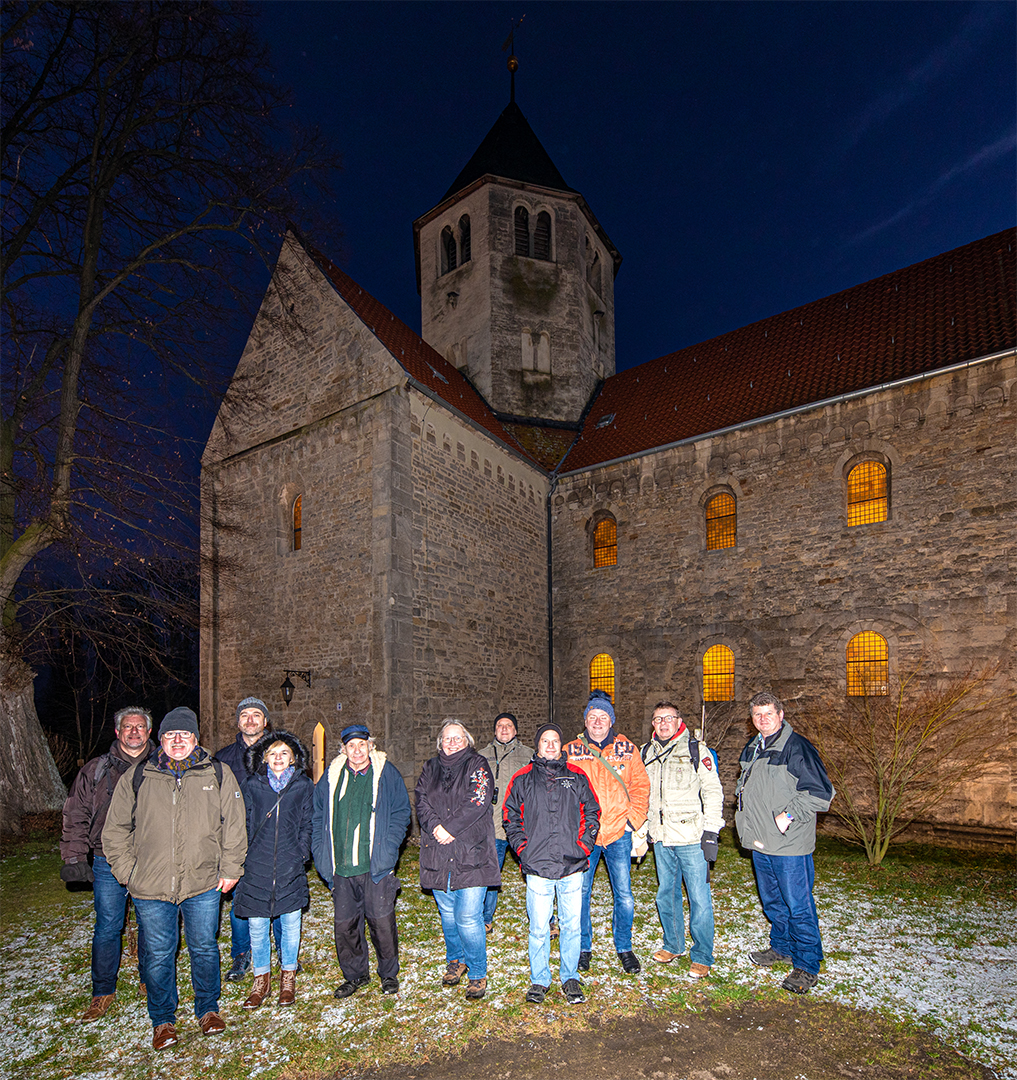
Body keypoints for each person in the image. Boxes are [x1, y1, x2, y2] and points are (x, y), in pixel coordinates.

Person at [102, 707, 247, 1050]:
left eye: (185, 735)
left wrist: (230, 868)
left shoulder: (217, 773)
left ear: (196, 739)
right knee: (157, 954)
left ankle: (208, 1010)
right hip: (151, 886)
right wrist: (128, 872)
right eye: (170, 735)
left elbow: (235, 826)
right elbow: (115, 830)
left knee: (205, 949)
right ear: (161, 740)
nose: (177, 741)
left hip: (203, 882)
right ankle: (163, 1020)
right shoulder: (139, 776)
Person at [735, 691, 835, 995]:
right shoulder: (754, 747)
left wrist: (788, 814)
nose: (762, 719)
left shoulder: (797, 747)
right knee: (773, 902)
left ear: (781, 714)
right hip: (760, 840)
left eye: (768, 713)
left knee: (798, 905)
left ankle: (807, 964)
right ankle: (781, 947)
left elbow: (821, 793)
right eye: (757, 715)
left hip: (789, 844)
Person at [60, 706, 154, 1022]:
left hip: (149, 859)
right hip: (106, 859)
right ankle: (102, 991)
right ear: (117, 732)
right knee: (107, 927)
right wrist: (74, 857)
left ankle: (148, 980)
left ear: (149, 732)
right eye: (128, 727)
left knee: (151, 925)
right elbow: (75, 814)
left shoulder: (162, 766)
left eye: (140, 727)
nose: (134, 732)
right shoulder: (96, 770)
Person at [311, 722, 411, 998]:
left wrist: (389, 849)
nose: (357, 750)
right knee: (345, 925)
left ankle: (388, 974)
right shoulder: (332, 777)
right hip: (341, 866)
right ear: (343, 749)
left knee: (381, 921)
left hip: (375, 865)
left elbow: (402, 813)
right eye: (350, 746)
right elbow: (317, 816)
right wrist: (321, 855)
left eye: (361, 744)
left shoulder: (385, 774)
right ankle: (355, 975)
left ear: (370, 745)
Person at [503, 722, 600, 1005]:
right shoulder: (522, 778)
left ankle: (570, 977)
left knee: (571, 926)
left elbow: (592, 811)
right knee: (539, 927)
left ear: (561, 745)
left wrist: (584, 845)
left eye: (555, 740)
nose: (550, 745)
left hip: (572, 865)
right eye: (545, 740)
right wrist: (523, 849)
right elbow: (510, 816)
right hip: (538, 867)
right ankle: (539, 980)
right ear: (537, 745)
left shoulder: (577, 775)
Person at [564, 690, 650, 974]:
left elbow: (640, 786)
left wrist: (632, 821)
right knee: (581, 892)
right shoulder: (570, 750)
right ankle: (583, 947)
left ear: (611, 721)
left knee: (623, 893)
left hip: (618, 833)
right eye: (592, 717)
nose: (597, 722)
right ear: (585, 720)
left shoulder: (628, 749)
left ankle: (624, 947)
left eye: (603, 717)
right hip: (584, 836)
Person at [415, 720, 499, 1000]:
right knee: (448, 915)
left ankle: (477, 971)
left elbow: (478, 799)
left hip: (471, 852)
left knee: (467, 917)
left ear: (467, 740)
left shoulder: (478, 765)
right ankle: (456, 959)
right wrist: (436, 827)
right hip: (438, 853)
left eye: (457, 738)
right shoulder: (430, 768)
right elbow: (421, 800)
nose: (452, 743)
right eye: (447, 739)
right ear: (440, 743)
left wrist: (449, 828)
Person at [640, 701, 724, 979]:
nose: (663, 723)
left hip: (691, 837)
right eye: (657, 719)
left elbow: (713, 791)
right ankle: (673, 944)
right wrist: (642, 830)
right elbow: (641, 795)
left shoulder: (696, 750)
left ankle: (702, 955)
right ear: (652, 724)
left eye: (668, 718)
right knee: (667, 894)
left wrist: (711, 831)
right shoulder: (645, 753)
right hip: (661, 838)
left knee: (699, 898)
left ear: (679, 721)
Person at [235, 730, 313, 1008]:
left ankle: (288, 976)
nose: (278, 758)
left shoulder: (303, 786)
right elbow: (242, 821)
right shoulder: (252, 786)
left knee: (291, 923)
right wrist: (243, 855)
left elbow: (307, 822)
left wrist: (302, 852)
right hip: (257, 863)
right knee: (257, 924)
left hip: (289, 862)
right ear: (265, 758)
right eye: (273, 754)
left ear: (293, 759)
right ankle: (261, 978)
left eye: (284, 754)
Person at [214, 696, 275, 981]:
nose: (250, 720)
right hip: (234, 840)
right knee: (240, 898)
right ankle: (241, 953)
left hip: (272, 837)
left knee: (276, 894)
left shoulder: (280, 752)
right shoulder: (223, 758)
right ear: (238, 721)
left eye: (256, 715)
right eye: (245, 716)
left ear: (265, 721)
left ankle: (281, 951)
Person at [478, 711, 532, 931]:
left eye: (508, 725)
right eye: (500, 725)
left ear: (516, 730)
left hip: (522, 824)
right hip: (493, 826)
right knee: (490, 874)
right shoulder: (481, 756)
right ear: (494, 730)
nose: (504, 729)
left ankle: (546, 920)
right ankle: (485, 918)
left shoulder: (529, 755)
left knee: (535, 873)